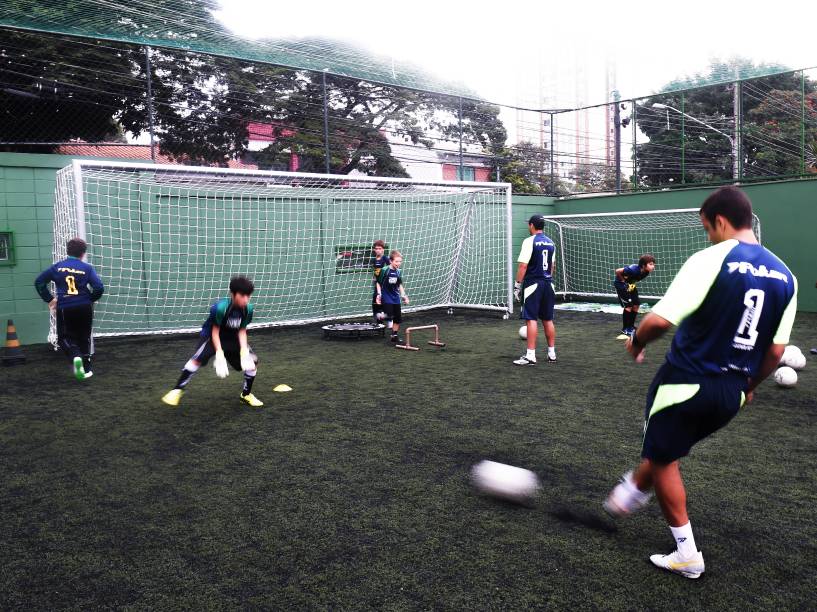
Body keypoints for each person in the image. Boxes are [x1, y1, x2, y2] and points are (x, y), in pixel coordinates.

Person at [603, 186, 798, 579]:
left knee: (663, 457)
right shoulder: (786, 274)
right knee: (667, 445)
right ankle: (629, 494)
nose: (708, 235)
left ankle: (687, 553)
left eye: (708, 228)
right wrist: (748, 387)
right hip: (731, 394)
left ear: (721, 221)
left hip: (685, 382)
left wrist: (636, 341)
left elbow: (659, 321)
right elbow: (775, 354)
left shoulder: (712, 258)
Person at [161, 276, 263, 407]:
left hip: (232, 337)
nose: (245, 299)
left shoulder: (248, 309)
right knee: (197, 359)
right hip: (212, 336)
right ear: (233, 294)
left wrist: (243, 351)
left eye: (248, 296)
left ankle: (246, 394)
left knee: (252, 363)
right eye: (242, 295)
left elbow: (242, 330)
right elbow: (215, 332)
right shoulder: (220, 308)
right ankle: (177, 390)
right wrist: (219, 353)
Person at [34, 237, 104, 380]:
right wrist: (89, 299)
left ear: (67, 251)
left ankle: (75, 357)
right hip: (84, 307)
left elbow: (39, 282)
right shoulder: (87, 268)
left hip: (66, 307)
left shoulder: (57, 267)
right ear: (83, 253)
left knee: (64, 338)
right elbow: (99, 287)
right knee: (84, 336)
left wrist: (50, 299)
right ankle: (87, 369)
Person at [513, 214, 557, 365]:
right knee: (547, 319)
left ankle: (530, 355)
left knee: (531, 318)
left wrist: (517, 285)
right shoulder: (551, 243)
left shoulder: (529, 241)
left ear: (531, 225)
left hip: (533, 284)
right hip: (548, 284)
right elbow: (552, 267)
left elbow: (523, 266)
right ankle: (552, 354)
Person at [614, 254, 656, 339]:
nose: (653, 266)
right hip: (621, 285)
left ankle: (631, 327)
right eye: (651, 264)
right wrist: (623, 282)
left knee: (636, 305)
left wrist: (629, 284)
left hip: (631, 285)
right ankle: (625, 329)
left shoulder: (646, 272)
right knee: (629, 306)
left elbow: (631, 280)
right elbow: (618, 271)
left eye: (653, 264)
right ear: (644, 265)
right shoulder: (633, 270)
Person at [375, 250, 409, 344]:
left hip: (395, 297)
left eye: (400, 261)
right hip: (386, 296)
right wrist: (379, 294)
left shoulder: (399, 272)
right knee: (389, 314)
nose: (398, 263)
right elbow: (378, 283)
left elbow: (399, 285)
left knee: (397, 318)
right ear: (391, 261)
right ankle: (381, 316)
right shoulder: (384, 270)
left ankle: (394, 335)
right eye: (396, 261)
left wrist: (404, 296)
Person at [371, 240, 390, 324]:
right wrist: (374, 277)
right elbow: (376, 271)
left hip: (384, 284)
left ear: (383, 249)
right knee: (375, 300)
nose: (378, 250)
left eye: (379, 248)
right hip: (377, 283)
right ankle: (378, 319)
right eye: (376, 248)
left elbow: (391, 267)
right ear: (374, 250)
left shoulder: (385, 258)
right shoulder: (374, 259)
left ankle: (388, 317)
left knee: (381, 299)